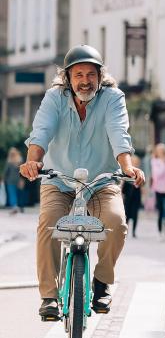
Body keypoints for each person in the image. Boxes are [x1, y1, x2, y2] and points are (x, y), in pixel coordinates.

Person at [19, 44, 145, 320]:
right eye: (78, 75)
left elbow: (118, 132)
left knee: (116, 222)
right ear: (67, 77)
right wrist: (33, 161)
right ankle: (49, 296)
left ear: (100, 76)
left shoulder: (113, 97)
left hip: (101, 181)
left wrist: (126, 167)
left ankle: (102, 281)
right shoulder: (54, 98)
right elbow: (41, 131)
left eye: (91, 74)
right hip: (59, 180)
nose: (85, 81)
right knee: (48, 222)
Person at [122, 154, 143, 237]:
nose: (135, 164)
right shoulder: (126, 173)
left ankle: (134, 231)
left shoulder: (139, 173)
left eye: (136, 163)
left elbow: (141, 186)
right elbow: (123, 185)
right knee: (126, 214)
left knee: (135, 215)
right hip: (127, 197)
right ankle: (126, 230)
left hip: (136, 197)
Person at [3, 147, 24, 214]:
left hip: (10, 180)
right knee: (19, 194)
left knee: (12, 194)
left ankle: (15, 206)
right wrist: (22, 180)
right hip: (18, 180)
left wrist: (4, 178)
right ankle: (21, 207)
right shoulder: (20, 161)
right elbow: (22, 171)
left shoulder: (9, 161)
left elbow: (6, 172)